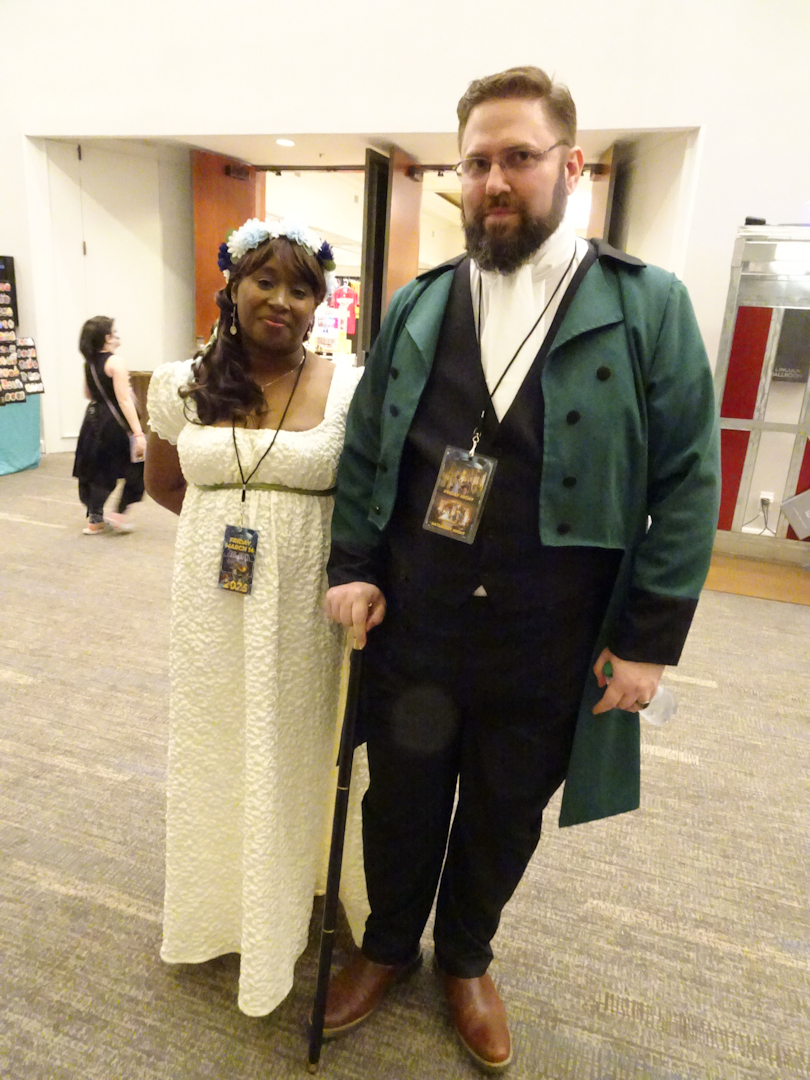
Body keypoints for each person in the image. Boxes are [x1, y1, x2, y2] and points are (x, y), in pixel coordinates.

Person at [323, 66, 720, 1071]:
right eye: (476, 162)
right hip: (416, 623)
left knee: (504, 812)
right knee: (398, 801)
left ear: (571, 166)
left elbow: (687, 476)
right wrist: (351, 566)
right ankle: (386, 948)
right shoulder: (418, 305)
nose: (495, 180)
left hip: (550, 634)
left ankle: (466, 959)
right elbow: (367, 449)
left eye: (519, 157)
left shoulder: (648, 306)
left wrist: (648, 641)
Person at [144, 218, 368, 1017]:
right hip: (211, 604)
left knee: (296, 742)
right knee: (217, 740)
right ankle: (218, 904)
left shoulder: (348, 387)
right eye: (264, 280)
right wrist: (234, 531)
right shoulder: (180, 383)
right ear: (232, 287)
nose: (280, 300)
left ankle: (292, 892)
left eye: (300, 288)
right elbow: (165, 485)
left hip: (307, 606)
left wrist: (285, 545)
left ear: (319, 303)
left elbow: (366, 496)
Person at [72, 317, 146, 534]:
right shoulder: (115, 362)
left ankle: (95, 519)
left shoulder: (89, 363)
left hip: (94, 421)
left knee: (100, 469)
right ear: (107, 338)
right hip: (115, 423)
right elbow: (124, 400)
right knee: (137, 465)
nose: (117, 334)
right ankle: (119, 514)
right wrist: (138, 433)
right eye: (114, 331)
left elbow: (88, 393)